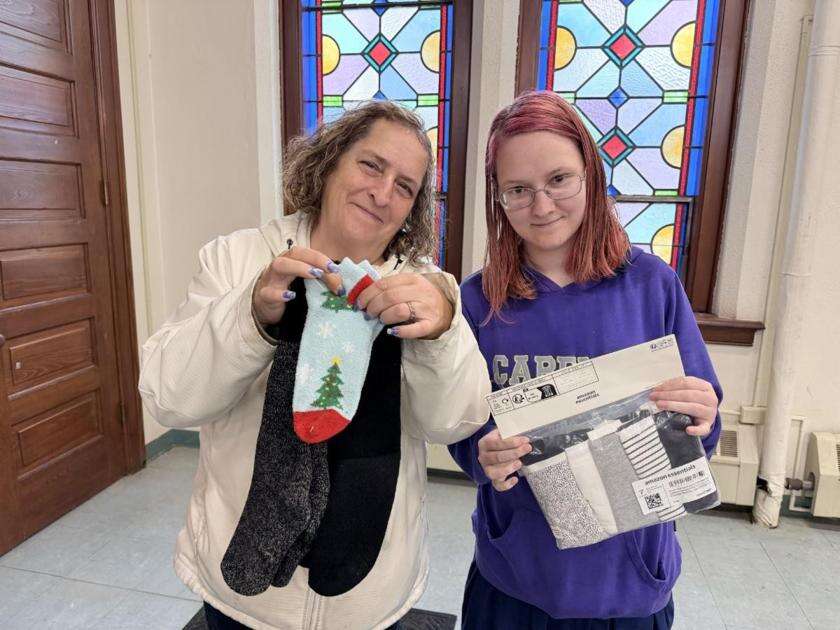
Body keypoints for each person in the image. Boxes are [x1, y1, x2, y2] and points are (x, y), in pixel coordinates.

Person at [138, 101, 490, 629]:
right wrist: (251, 315)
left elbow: (452, 423)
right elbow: (169, 398)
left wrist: (441, 332)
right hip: (244, 591)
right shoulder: (235, 259)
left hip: (368, 596)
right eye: (371, 165)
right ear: (329, 162)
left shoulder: (426, 291)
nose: (382, 193)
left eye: (404, 186)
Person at [449, 91, 722, 629]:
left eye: (559, 179)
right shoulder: (477, 301)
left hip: (628, 579)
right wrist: (480, 453)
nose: (542, 206)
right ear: (498, 198)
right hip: (517, 575)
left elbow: (703, 432)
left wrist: (703, 416)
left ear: (591, 176)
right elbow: (461, 429)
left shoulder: (650, 285)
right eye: (518, 190)